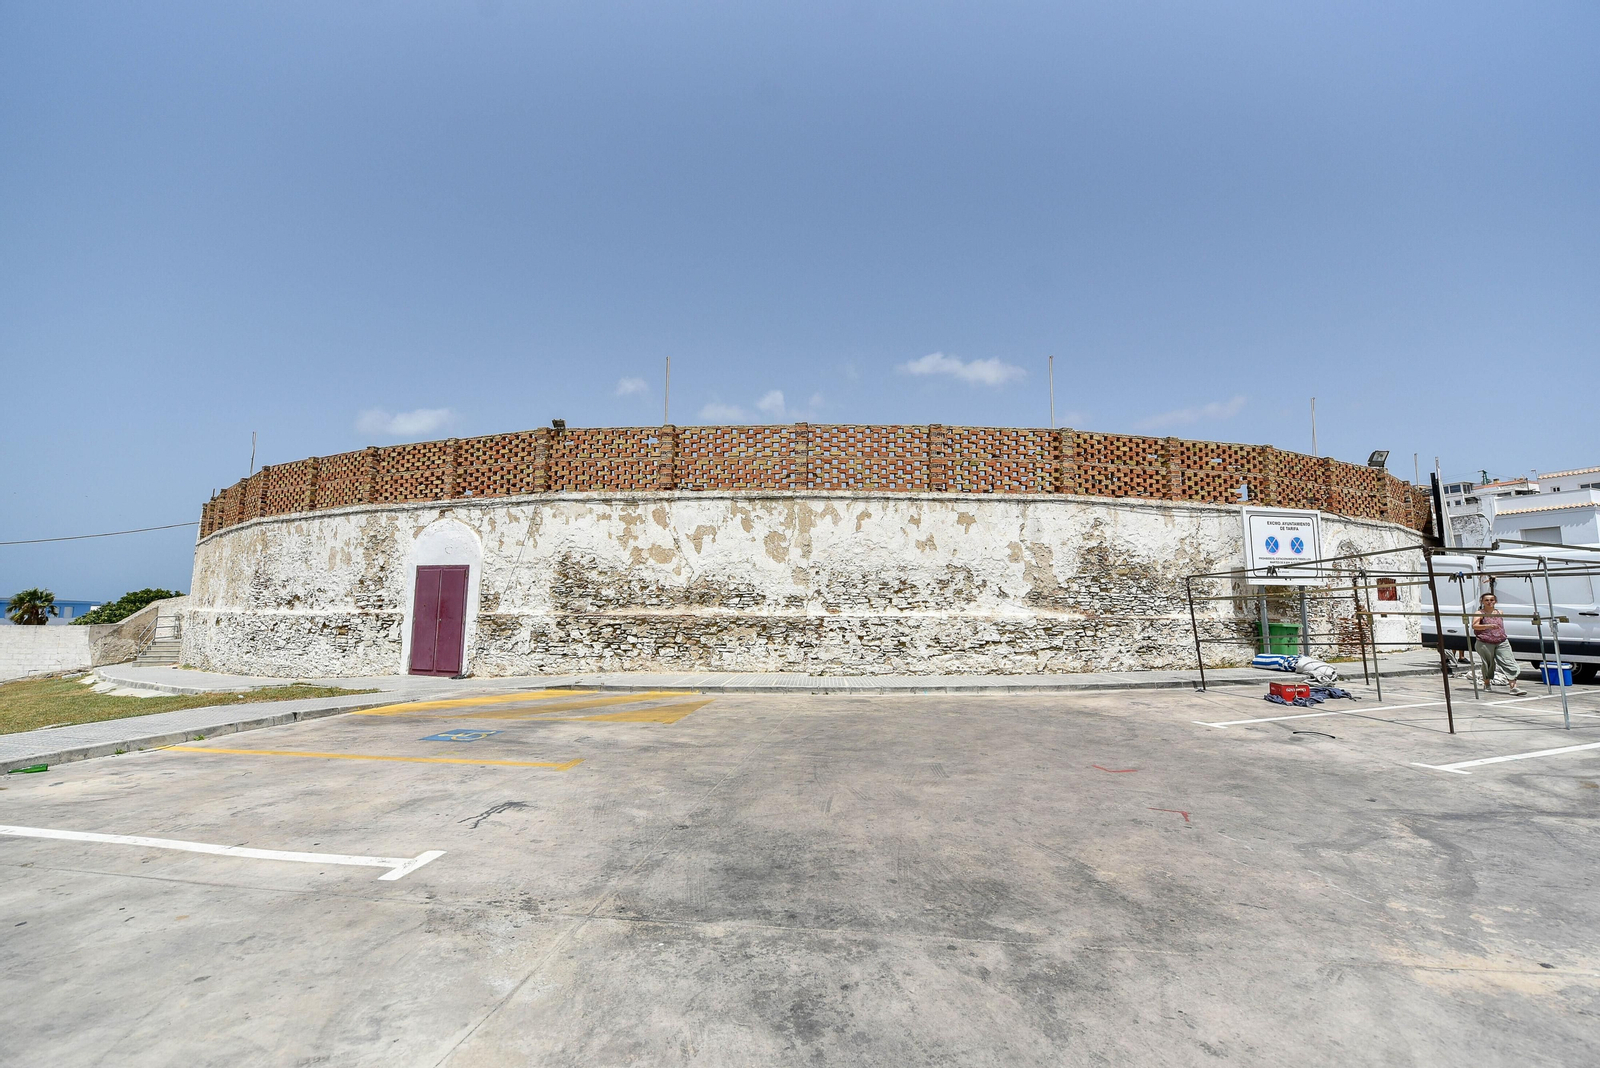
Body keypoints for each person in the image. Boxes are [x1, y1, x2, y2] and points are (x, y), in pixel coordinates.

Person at [1472, 592, 1527, 695]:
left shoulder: (1499, 612)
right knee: (1488, 664)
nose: (1489, 602)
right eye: (1487, 600)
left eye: (1491, 600)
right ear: (1482, 602)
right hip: (1485, 642)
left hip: (1501, 641)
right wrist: (1488, 626)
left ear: (1495, 601)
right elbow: (1474, 626)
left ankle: (1513, 687)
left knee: (1509, 661)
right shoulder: (1479, 613)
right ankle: (1487, 683)